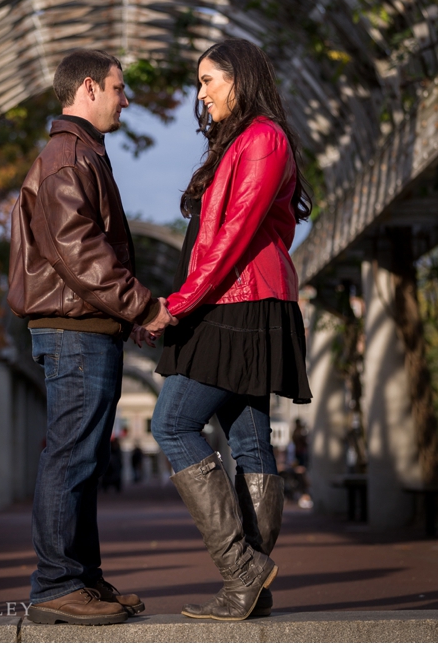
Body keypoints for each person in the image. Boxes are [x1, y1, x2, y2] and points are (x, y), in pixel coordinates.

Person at [138, 39, 313, 621]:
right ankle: (249, 592)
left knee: (172, 422)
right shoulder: (240, 141)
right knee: (248, 437)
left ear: (242, 78)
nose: (201, 92)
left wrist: (180, 303)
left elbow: (233, 236)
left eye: (210, 79)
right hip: (239, 299)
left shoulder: (264, 138)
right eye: (198, 81)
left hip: (238, 302)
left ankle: (243, 570)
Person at [9, 48, 171, 626]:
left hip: (84, 324)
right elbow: (81, 252)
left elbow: (82, 255)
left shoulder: (78, 154)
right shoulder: (67, 156)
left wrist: (128, 316)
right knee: (72, 454)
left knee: (83, 457)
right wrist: (144, 307)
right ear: (89, 88)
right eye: (119, 88)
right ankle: (56, 585)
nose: (126, 100)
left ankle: (81, 579)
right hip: (73, 328)